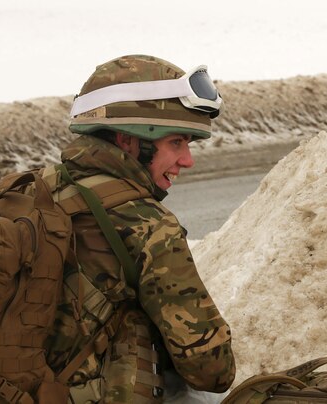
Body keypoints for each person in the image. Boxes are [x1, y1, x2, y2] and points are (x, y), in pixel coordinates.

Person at [49, 54, 236, 403]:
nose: (187, 160)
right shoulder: (149, 226)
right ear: (128, 140)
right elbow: (212, 371)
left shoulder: (32, 191)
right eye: (176, 143)